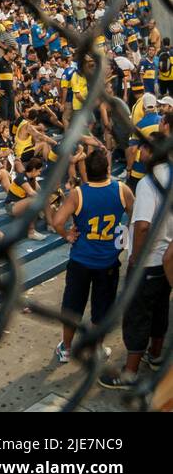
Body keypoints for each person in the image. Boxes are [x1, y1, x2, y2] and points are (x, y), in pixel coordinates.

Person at [51, 148, 133, 363]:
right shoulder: (121, 190)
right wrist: (123, 234)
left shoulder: (78, 194)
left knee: (72, 307)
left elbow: (57, 221)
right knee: (102, 309)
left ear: (86, 169)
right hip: (108, 261)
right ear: (107, 169)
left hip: (81, 260)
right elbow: (135, 218)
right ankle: (97, 348)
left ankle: (67, 348)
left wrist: (68, 235)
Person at [101, 156, 173, 389]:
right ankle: (155, 354)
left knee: (137, 315)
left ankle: (129, 372)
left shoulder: (148, 182)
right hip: (167, 261)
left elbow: (142, 225)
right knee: (161, 306)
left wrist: (136, 257)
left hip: (149, 260)